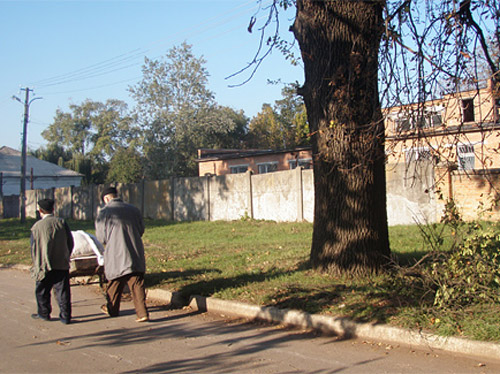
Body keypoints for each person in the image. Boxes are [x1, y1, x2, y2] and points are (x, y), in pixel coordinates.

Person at [95, 187, 149, 322]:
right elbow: (141, 230)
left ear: (106, 199)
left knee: (114, 281)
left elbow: (101, 238)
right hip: (135, 251)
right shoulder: (133, 209)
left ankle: (112, 309)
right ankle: (142, 313)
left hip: (116, 253)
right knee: (136, 282)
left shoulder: (104, 212)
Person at [30, 198, 74, 324]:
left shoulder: (36, 227)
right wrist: (66, 255)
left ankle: (44, 313)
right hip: (61, 263)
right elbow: (70, 242)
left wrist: (35, 261)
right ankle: (65, 316)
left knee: (42, 290)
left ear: (40, 211)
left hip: (43, 263)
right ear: (53, 209)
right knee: (63, 292)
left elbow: (33, 246)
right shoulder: (61, 222)